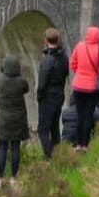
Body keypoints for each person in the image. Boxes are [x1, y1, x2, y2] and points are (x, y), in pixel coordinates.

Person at [69, 26, 99, 151]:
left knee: (79, 115)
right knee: (88, 115)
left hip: (78, 86)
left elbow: (72, 64)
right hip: (92, 88)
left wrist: (80, 73)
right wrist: (96, 73)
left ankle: (77, 144)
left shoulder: (79, 46)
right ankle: (85, 145)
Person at [0, 54, 29, 188]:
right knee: (15, 148)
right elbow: (26, 89)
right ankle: (14, 177)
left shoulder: (0, 81)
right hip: (18, 119)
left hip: (4, 119)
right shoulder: (22, 81)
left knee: (2, 148)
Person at [36, 27, 69, 158]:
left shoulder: (48, 60)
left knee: (42, 130)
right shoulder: (64, 57)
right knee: (54, 128)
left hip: (48, 98)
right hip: (59, 95)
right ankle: (58, 155)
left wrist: (39, 96)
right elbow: (66, 74)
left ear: (45, 40)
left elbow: (42, 81)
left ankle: (50, 157)